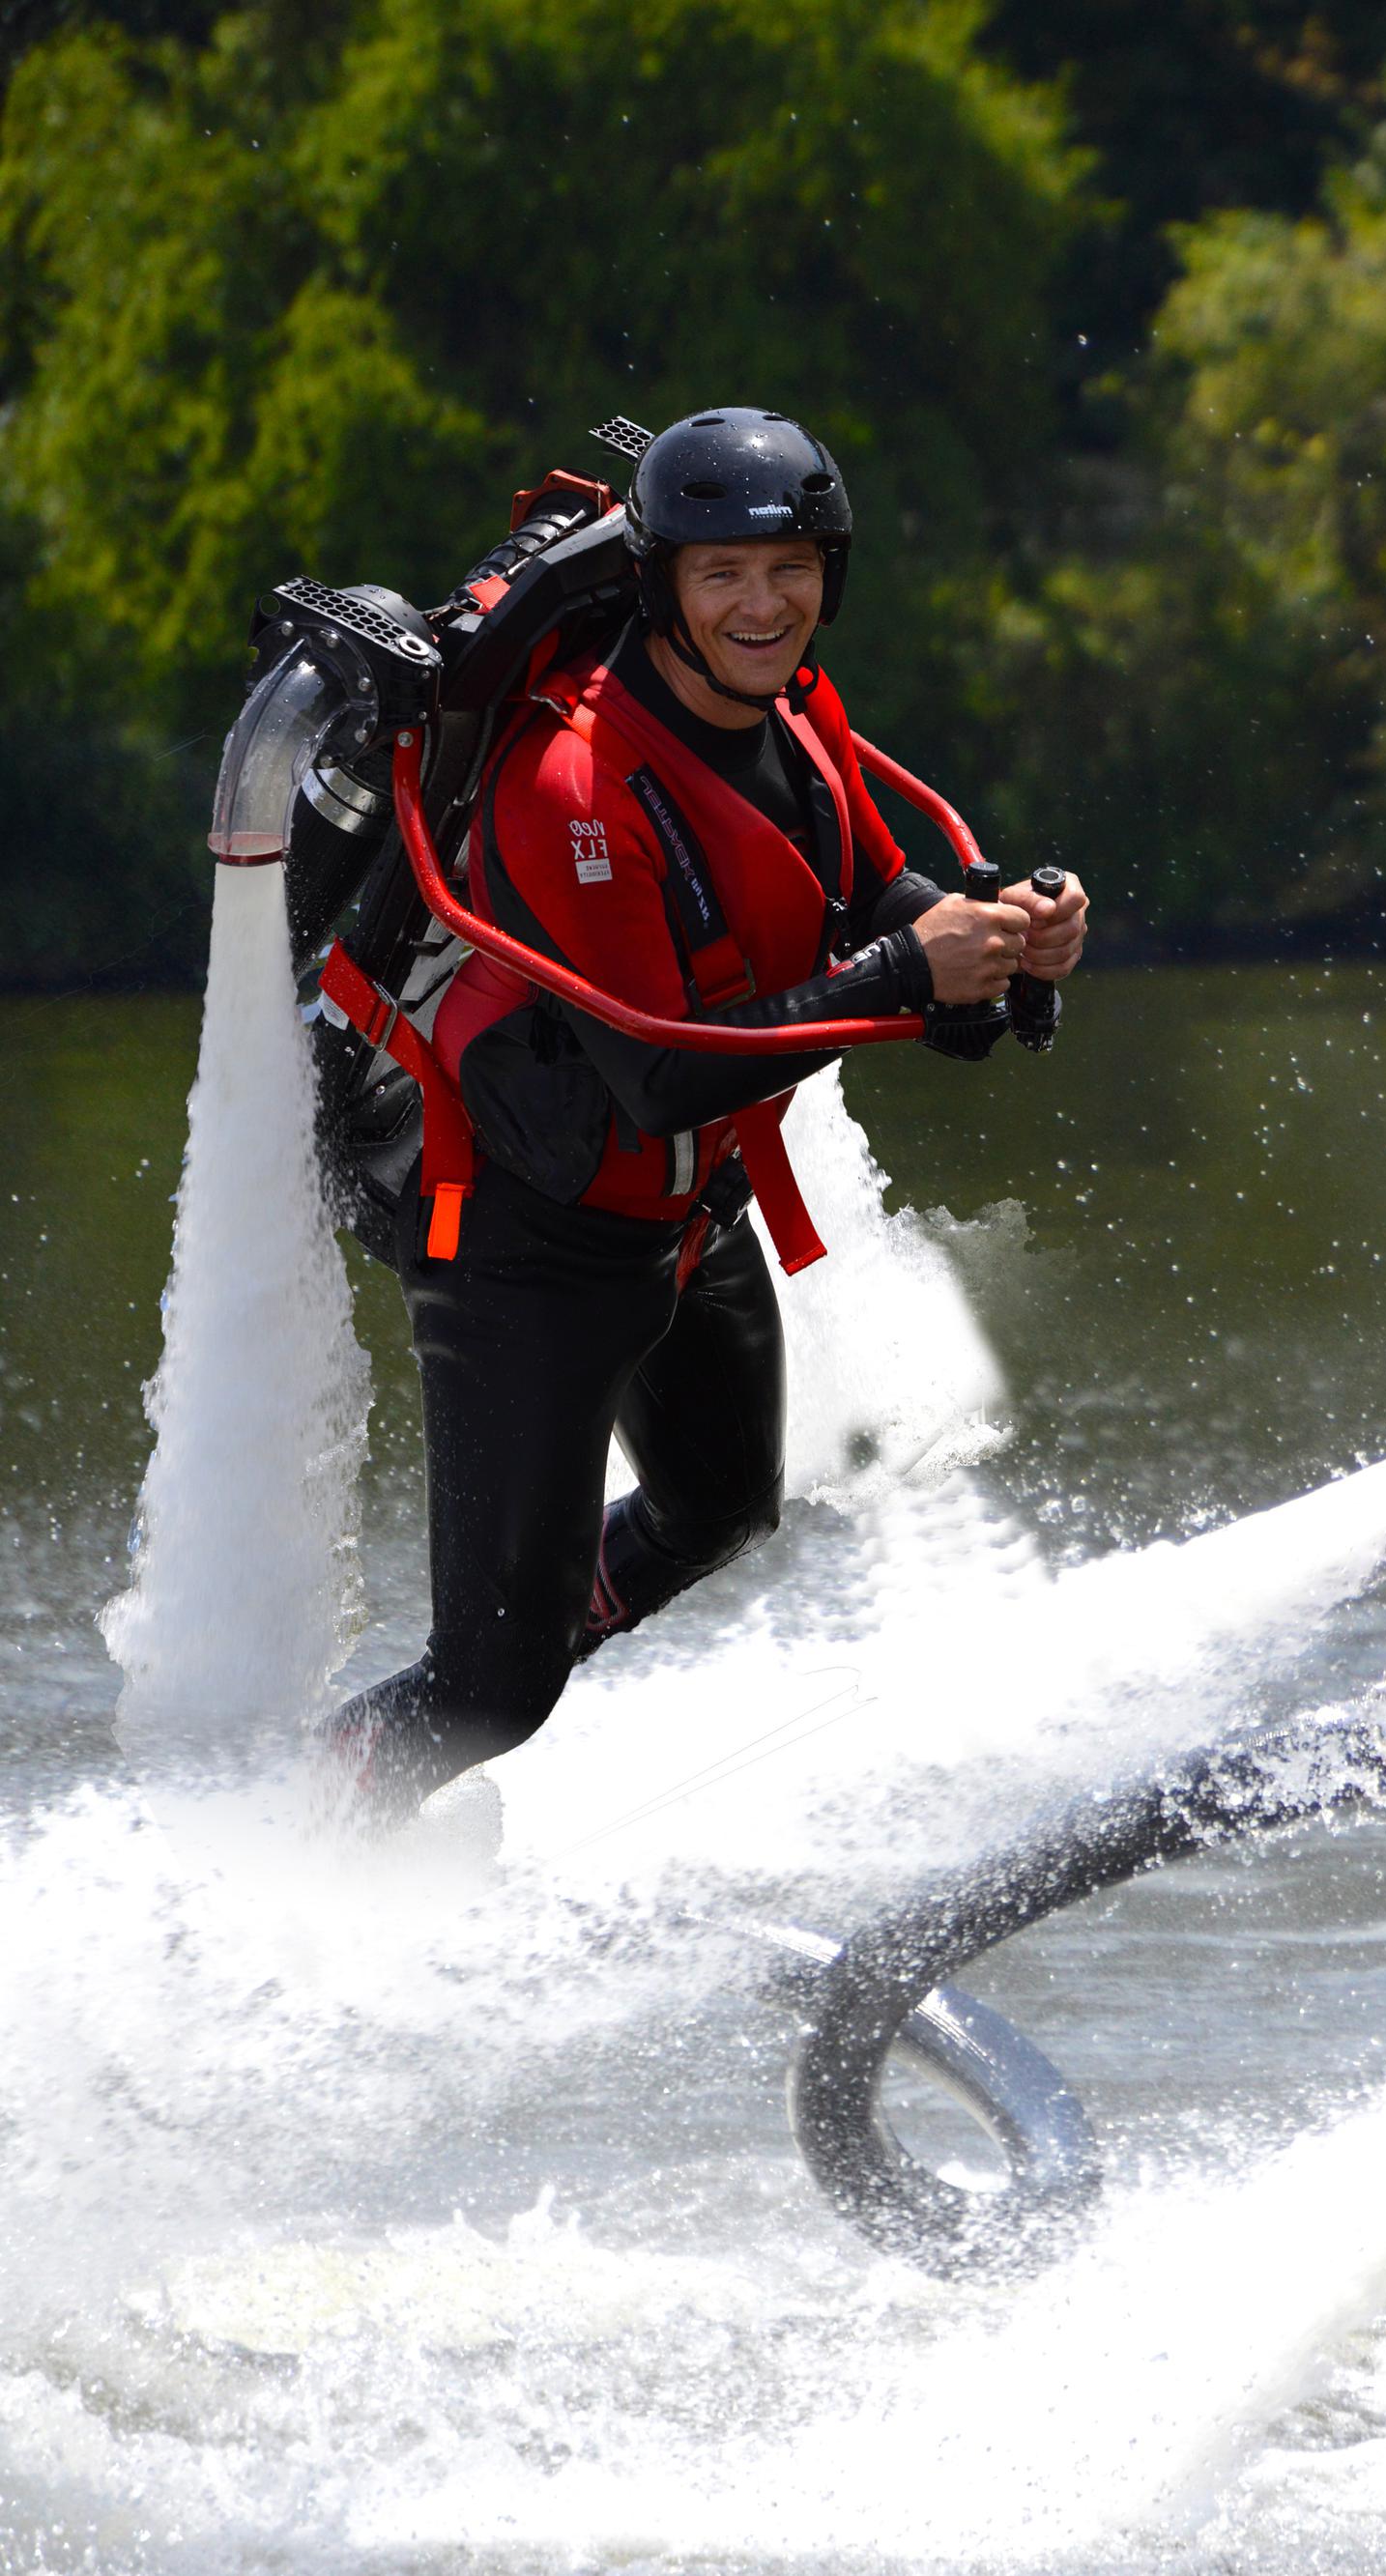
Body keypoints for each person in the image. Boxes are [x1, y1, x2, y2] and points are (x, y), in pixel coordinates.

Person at [327, 408, 1089, 1817]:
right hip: (521, 1244)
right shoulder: (577, 785)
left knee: (723, 1504)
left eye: (792, 567)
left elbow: (873, 896)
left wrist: (996, 937)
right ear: (663, 580)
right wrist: (905, 974)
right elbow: (660, 1069)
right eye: (723, 573)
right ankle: (298, 1830)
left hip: (677, 1212)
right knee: (495, 1690)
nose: (764, 603)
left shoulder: (792, 718)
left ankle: (526, 1629)